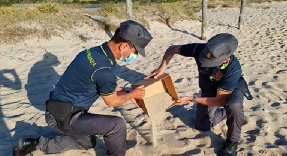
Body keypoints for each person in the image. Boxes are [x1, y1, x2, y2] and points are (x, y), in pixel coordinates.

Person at [13, 20, 153, 156]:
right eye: (135, 52)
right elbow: (111, 102)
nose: (134, 56)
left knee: (87, 143)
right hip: (66, 117)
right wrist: (132, 94)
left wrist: (126, 92)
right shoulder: (104, 69)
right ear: (123, 46)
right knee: (117, 126)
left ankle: (32, 145)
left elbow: (99, 80)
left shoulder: (93, 52)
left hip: (57, 109)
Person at [146, 33, 252, 156]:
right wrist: (162, 68)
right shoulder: (199, 49)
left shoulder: (233, 68)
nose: (203, 62)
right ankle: (228, 114)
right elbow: (173, 49)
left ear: (225, 59)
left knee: (233, 104)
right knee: (202, 126)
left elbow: (219, 101)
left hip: (231, 89)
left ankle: (232, 141)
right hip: (209, 90)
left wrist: (192, 99)